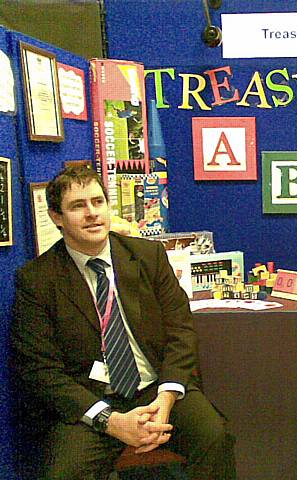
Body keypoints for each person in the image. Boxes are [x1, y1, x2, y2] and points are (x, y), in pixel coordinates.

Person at [11, 166, 236, 480]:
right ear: (56, 217)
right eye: (78, 206)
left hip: (155, 388)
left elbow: (181, 331)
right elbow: (41, 370)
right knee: (63, 472)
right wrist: (111, 421)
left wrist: (167, 397)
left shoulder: (148, 256)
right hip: (91, 400)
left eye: (97, 202)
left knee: (215, 436)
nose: (92, 213)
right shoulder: (37, 280)